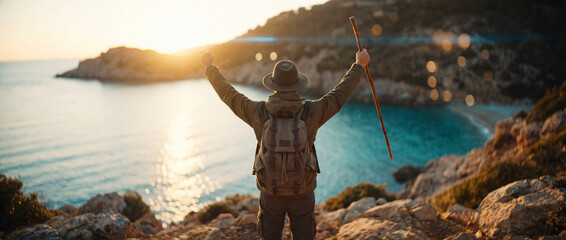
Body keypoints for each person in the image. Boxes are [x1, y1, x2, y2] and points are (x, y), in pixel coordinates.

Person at [201, 49, 370, 240]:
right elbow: (339, 96)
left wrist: (209, 68)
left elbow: (229, 95)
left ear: (273, 85)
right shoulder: (311, 112)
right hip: (303, 192)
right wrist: (359, 65)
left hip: (270, 193)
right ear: (297, 86)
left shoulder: (258, 112)